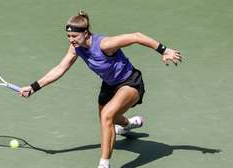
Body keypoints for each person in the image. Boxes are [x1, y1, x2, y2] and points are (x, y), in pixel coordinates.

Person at [19, 10, 182, 168]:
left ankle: (104, 164)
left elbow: (136, 36)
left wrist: (164, 50)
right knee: (110, 119)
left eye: (74, 36)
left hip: (130, 82)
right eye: (68, 36)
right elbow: (60, 68)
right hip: (109, 85)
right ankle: (128, 124)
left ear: (86, 33)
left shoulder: (105, 44)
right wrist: (34, 87)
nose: (71, 40)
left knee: (107, 116)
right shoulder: (75, 48)